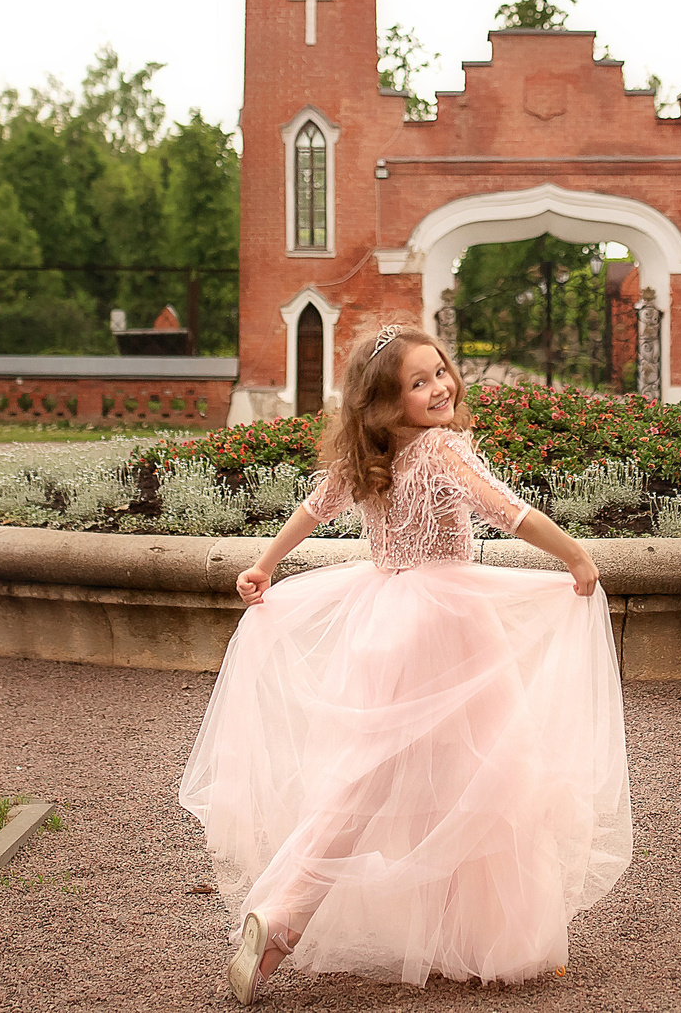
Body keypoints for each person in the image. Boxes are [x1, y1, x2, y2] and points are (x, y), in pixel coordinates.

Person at [178, 324, 632, 1002]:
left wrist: (265, 562)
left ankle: (293, 917)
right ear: (385, 403)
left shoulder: (371, 453)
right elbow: (509, 511)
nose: (438, 387)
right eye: (417, 383)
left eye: (440, 372)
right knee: (486, 772)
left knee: (372, 779)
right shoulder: (444, 449)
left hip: (381, 618)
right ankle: (299, 919)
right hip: (448, 623)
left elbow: (312, 508)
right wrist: (575, 554)